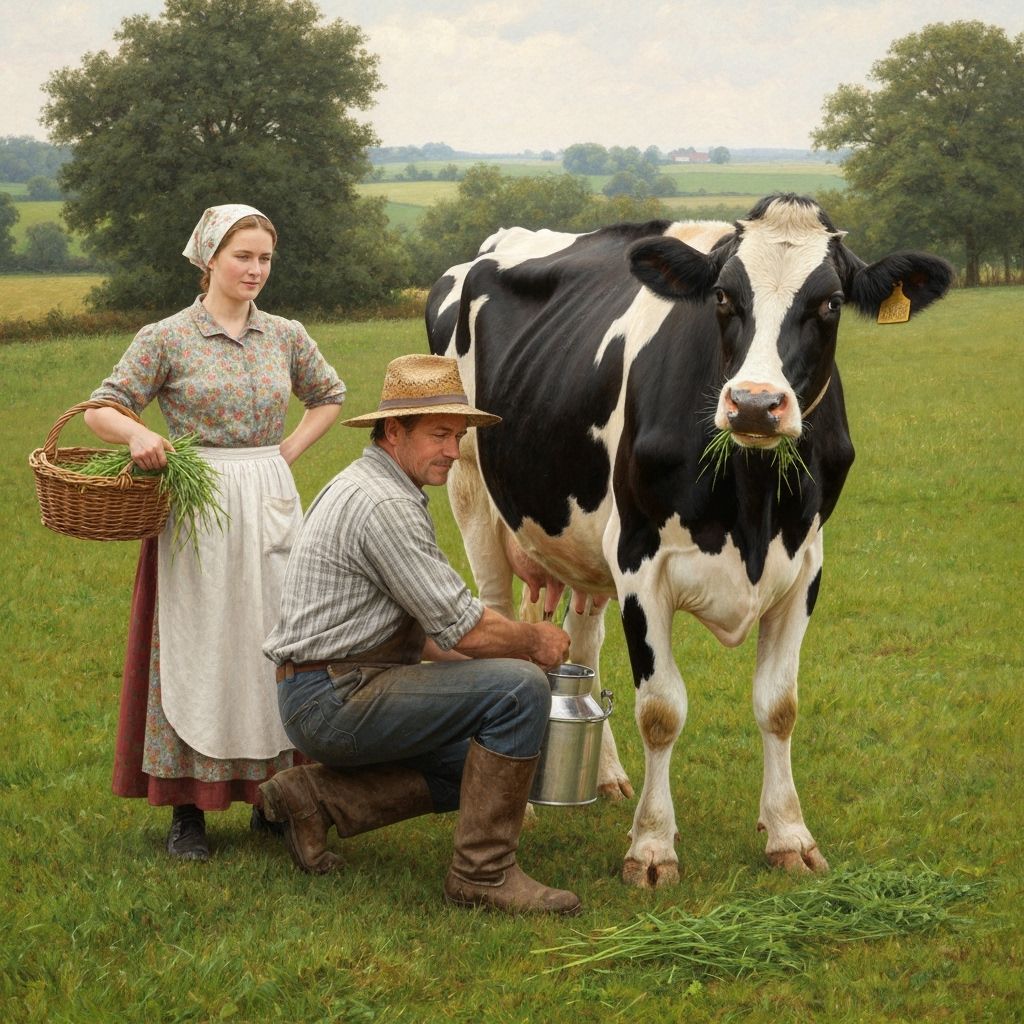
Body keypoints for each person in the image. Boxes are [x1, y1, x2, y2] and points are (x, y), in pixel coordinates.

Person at [261, 354, 580, 915]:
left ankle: (314, 798)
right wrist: (534, 643)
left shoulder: (376, 484)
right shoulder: (384, 504)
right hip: (333, 696)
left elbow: (431, 634)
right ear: (393, 431)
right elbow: (464, 628)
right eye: (439, 435)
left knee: (479, 762)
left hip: (334, 682)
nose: (453, 452)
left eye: (457, 437)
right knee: (521, 690)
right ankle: (482, 874)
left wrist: (493, 657)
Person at [84, 204, 345, 861]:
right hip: (197, 506)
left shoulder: (285, 335)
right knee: (199, 645)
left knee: (272, 642)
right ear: (209, 260)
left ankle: (274, 796)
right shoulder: (167, 337)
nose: (256, 269)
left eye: (264, 258)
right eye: (242, 257)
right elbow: (101, 408)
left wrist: (285, 451)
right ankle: (187, 810)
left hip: (270, 500)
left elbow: (329, 395)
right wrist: (138, 434)